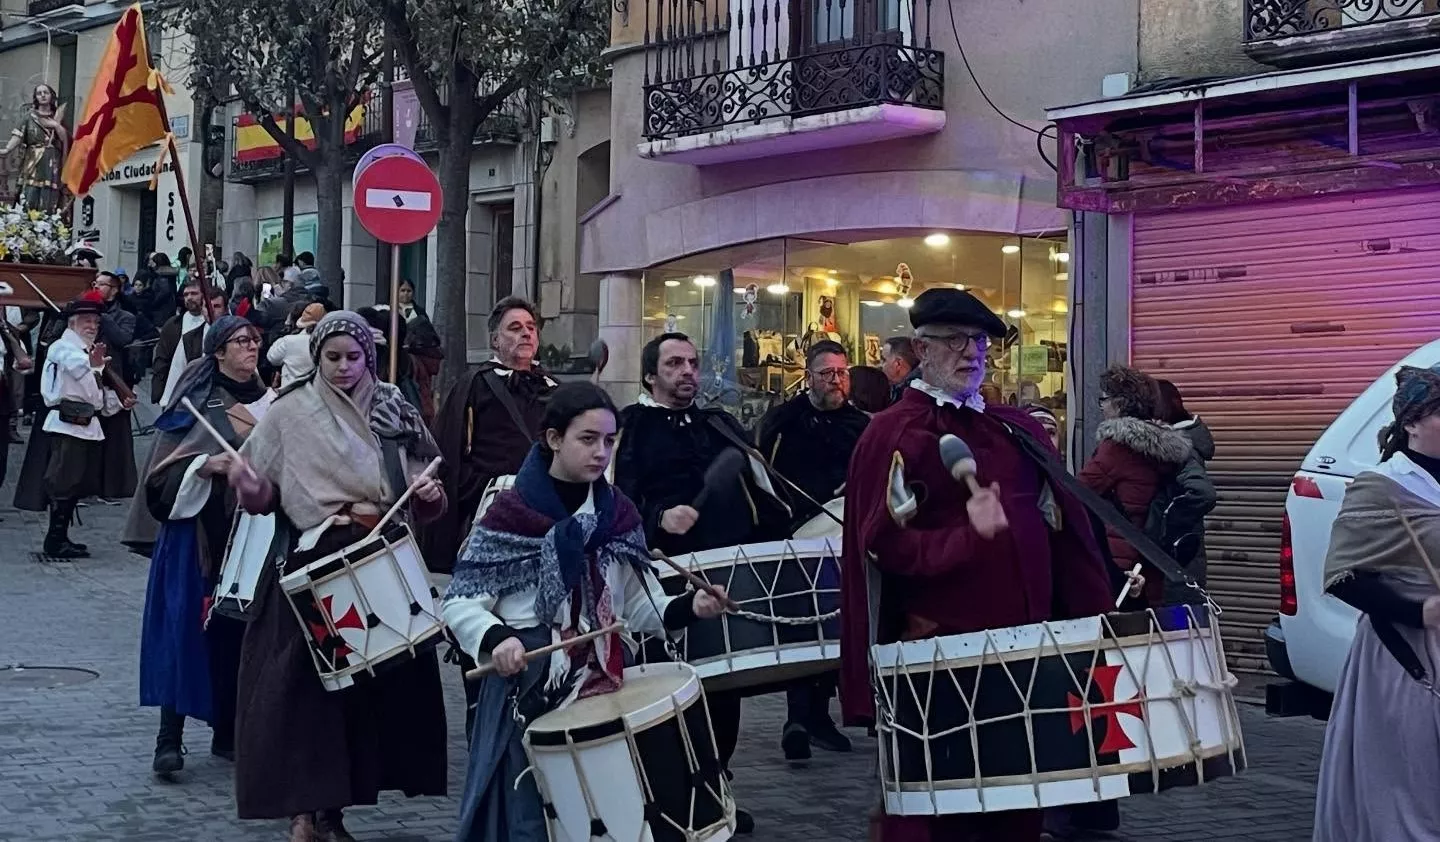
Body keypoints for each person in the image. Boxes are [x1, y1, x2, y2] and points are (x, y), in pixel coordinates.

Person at [837, 288, 1114, 842]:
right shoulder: (895, 433)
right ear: (921, 348)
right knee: (937, 811)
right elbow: (882, 546)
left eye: (981, 342)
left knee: (1018, 808)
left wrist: (1092, 623)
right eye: (956, 341)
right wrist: (967, 539)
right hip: (941, 665)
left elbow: (1063, 535)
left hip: (1028, 654)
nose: (972, 353)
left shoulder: (1013, 430)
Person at [443, 381, 729, 840]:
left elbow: (637, 606)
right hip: (528, 685)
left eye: (609, 441)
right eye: (587, 439)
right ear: (554, 439)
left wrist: (688, 606)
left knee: (605, 817)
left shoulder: (619, 514)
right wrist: (497, 639)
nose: (601, 452)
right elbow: (459, 601)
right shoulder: (508, 513)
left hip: (602, 679)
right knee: (530, 818)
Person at [225, 310, 448, 842]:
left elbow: (425, 488)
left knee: (360, 696)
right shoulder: (289, 411)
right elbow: (262, 498)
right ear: (317, 358)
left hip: (382, 557)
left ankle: (334, 812)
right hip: (315, 561)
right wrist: (248, 485)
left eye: (354, 357)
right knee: (305, 693)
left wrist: (430, 496)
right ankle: (301, 810)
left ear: (368, 358)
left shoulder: (395, 406)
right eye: (333, 357)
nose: (344, 367)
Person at [613, 332, 792, 836]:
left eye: (693, 362)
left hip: (725, 576)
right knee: (667, 692)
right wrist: (657, 517)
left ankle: (716, 790)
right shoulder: (630, 428)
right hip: (661, 580)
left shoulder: (721, 425)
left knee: (722, 692)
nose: (687, 371)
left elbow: (764, 492)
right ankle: (668, 798)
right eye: (674, 363)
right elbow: (611, 499)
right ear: (651, 374)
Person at [136, 317, 274, 779]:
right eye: (241, 340)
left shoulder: (274, 403)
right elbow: (159, 477)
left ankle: (228, 733)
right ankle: (167, 740)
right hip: (194, 538)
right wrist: (204, 464)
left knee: (237, 635)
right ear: (218, 352)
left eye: (256, 339)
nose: (252, 346)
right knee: (182, 635)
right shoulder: (192, 405)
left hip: (251, 537)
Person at [1312, 364, 1440, 841]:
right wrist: (1419, 611)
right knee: (1408, 785)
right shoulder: (1383, 486)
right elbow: (1343, 577)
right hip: (1405, 658)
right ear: (1411, 423)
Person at [425, 296, 557, 739]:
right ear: (495, 338)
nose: (525, 333)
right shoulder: (473, 386)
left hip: (548, 527)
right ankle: (482, 721)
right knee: (482, 616)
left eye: (530, 327)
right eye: (514, 327)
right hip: (489, 521)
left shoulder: (555, 391)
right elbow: (450, 460)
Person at [755, 340, 867, 763]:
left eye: (841, 372)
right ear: (809, 375)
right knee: (803, 628)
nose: (835, 380)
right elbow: (760, 477)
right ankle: (798, 719)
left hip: (843, 538)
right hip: (796, 535)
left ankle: (819, 717)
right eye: (826, 373)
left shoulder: (860, 425)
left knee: (835, 629)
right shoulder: (783, 421)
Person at [14, 291, 130, 557]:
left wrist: (118, 401)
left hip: (86, 425)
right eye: (86, 321)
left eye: (95, 322)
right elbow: (76, 366)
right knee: (63, 484)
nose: (92, 326)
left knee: (75, 485)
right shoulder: (62, 348)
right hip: (66, 424)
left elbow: (96, 394)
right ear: (71, 324)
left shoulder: (88, 351)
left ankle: (62, 537)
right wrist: (93, 364)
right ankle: (54, 541)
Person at [1078, 365, 1194, 609]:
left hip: (1120, 559)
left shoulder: (1117, 448)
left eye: (1105, 399)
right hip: (1149, 555)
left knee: (1118, 632)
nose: (1101, 406)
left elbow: (1078, 492)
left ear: (1120, 404)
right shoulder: (1164, 447)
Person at [2, 83, 67, 211]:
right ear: (35, 97)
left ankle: (47, 218)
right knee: (30, 189)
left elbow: (65, 140)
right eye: (39, 93)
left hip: (52, 160)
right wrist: (7, 149)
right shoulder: (29, 116)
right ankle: (27, 218)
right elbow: (18, 135)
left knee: (49, 191)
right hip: (33, 158)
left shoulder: (57, 117)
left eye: (45, 92)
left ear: (51, 96)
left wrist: (56, 126)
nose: (42, 95)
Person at [152, 280, 208, 406]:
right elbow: (162, 357)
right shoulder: (173, 324)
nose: (189, 298)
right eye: (186, 294)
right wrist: (158, 388)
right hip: (175, 384)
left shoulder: (212, 321)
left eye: (194, 293)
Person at [266, 302, 324, 387]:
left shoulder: (288, 341)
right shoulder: (326, 342)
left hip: (290, 391)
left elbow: (272, 358)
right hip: (317, 390)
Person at [880, 335, 920, 403]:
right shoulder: (923, 388)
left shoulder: (909, 398)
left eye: (884, 360)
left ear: (898, 364)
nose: (880, 365)